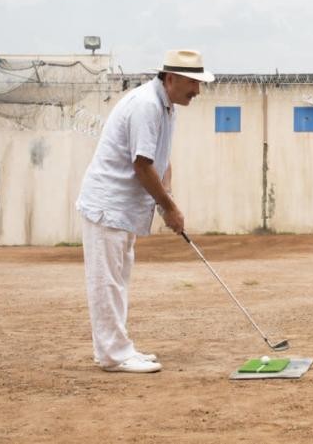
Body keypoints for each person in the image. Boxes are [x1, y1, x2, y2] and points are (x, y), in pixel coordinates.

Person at [76, 49, 214, 373]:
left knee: (118, 280)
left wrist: (169, 201)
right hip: (107, 205)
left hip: (123, 209)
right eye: (193, 83)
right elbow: (141, 165)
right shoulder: (146, 106)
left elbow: (161, 160)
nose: (198, 91)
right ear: (172, 78)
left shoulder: (166, 107)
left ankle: (118, 348)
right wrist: (169, 207)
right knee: (106, 282)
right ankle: (112, 355)